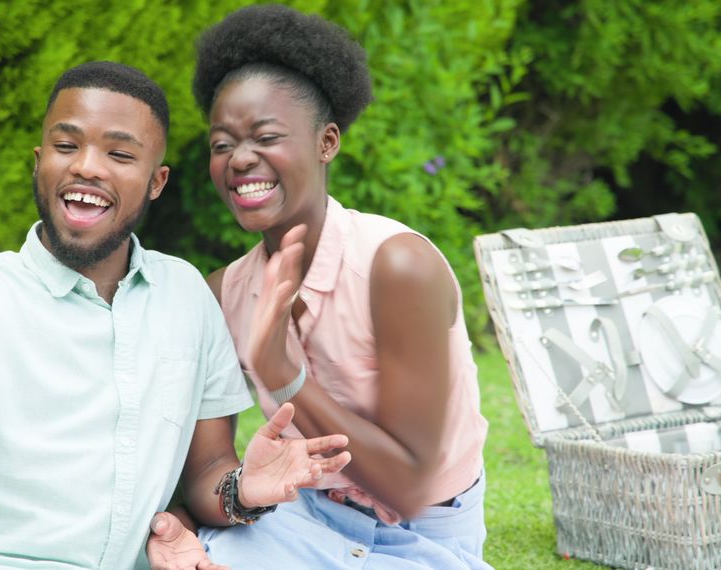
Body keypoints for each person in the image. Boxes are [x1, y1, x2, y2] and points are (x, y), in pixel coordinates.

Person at [0, 60, 351, 569]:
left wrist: (243, 489)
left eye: (120, 154)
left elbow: (206, 474)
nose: (87, 167)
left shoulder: (185, 294)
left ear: (156, 182)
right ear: (39, 164)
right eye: (66, 146)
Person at [147, 5, 491, 569]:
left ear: (327, 141)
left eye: (266, 136)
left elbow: (407, 488)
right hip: (301, 516)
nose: (240, 159)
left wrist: (284, 375)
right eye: (221, 143)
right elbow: (208, 473)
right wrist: (182, 526)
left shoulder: (397, 267)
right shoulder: (223, 294)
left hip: (423, 532)